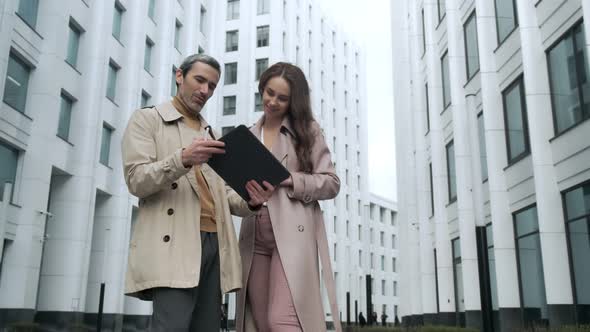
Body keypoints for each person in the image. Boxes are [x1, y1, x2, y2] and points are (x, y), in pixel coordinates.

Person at [121, 54, 275, 331]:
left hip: (216, 241)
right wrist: (182, 159)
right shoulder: (148, 120)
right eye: (199, 80)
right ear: (179, 75)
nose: (205, 90)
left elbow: (224, 195)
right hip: (175, 240)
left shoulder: (211, 134)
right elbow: (136, 180)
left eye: (212, 86)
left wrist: (251, 201)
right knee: (173, 326)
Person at [235, 62, 341, 332]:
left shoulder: (308, 132)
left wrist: (288, 179)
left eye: (282, 98)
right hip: (253, 237)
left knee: (281, 321)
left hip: (292, 236)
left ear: (294, 101)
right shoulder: (247, 136)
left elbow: (331, 183)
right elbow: (233, 193)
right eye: (269, 92)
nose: (272, 102)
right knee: (260, 324)